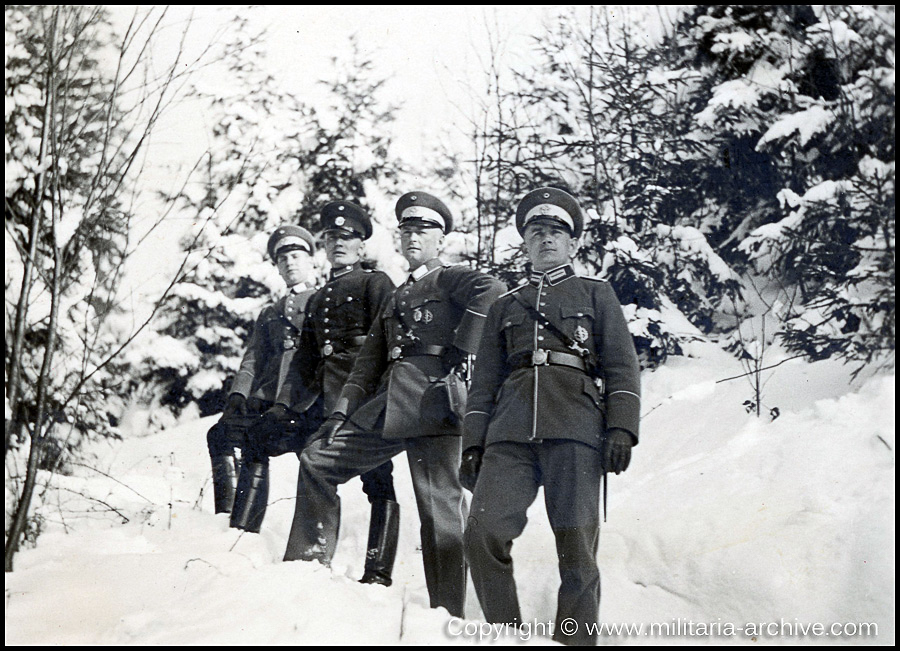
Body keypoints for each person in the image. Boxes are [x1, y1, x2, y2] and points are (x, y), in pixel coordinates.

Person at [283, 191, 505, 618]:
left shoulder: (449, 278)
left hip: (435, 402)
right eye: (406, 229)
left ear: (442, 239)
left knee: (439, 514)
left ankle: (446, 616)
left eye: (423, 230)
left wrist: (462, 348)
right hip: (388, 405)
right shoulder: (397, 294)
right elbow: (367, 363)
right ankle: (306, 567)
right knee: (317, 459)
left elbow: (491, 290)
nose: (413, 236)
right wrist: (341, 412)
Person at [459, 187, 641, 646]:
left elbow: (622, 365)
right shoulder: (505, 306)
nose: (546, 239)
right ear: (525, 242)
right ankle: (506, 635)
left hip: (576, 427)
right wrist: (473, 443)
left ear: (574, 243)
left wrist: (621, 426)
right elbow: (483, 383)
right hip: (510, 431)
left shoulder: (597, 294)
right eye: (536, 231)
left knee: (578, 551)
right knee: (482, 533)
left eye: (556, 232)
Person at [274, 200, 400, 586]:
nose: (338, 244)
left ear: (362, 246)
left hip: (368, 396)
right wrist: (283, 405)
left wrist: (379, 397)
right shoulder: (318, 298)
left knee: (379, 479)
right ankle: (312, 559)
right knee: (315, 464)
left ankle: (377, 572)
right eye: (331, 238)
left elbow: (390, 341)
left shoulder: (374, 283)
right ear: (324, 247)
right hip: (330, 399)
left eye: (347, 238)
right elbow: (305, 361)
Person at [213, 224, 318, 533]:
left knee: (280, 448)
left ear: (312, 261)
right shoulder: (270, 312)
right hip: (270, 400)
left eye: (297, 256)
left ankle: (245, 528)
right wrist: (238, 395)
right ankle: (230, 523)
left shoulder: (321, 301)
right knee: (220, 434)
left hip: (306, 399)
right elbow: (253, 358)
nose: (290, 263)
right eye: (283, 259)